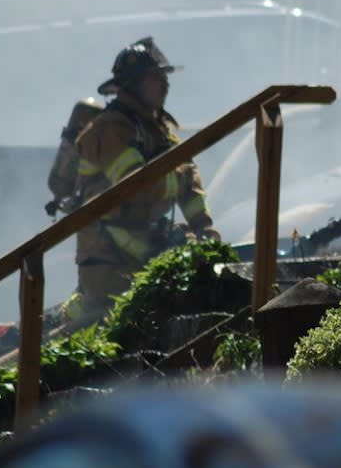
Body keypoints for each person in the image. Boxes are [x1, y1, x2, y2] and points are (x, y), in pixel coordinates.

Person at [59, 37, 221, 325]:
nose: (165, 84)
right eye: (155, 77)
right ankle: (59, 321)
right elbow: (137, 189)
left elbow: (188, 182)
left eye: (164, 77)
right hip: (109, 256)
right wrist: (169, 243)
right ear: (133, 83)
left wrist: (204, 228)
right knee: (106, 324)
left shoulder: (159, 129)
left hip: (142, 248)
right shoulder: (109, 129)